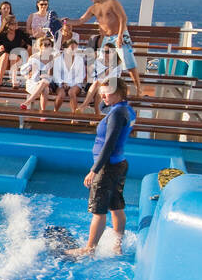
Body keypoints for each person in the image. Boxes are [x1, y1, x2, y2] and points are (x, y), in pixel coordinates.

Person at [66, 77, 136, 259]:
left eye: (107, 92)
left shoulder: (118, 114)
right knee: (116, 206)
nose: (103, 96)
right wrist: (100, 87)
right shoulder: (125, 109)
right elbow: (105, 107)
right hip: (119, 164)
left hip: (107, 166)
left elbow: (109, 144)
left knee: (99, 211)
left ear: (119, 93)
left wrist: (94, 170)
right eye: (102, 93)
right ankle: (117, 247)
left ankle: (90, 249)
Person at [78, 0, 144, 97]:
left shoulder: (112, 2)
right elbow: (80, 20)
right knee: (102, 64)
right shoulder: (93, 8)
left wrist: (120, 36)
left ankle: (139, 89)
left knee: (128, 63)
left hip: (120, 35)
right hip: (107, 39)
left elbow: (123, 18)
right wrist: (63, 21)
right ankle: (102, 90)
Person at [20, 36, 56, 112]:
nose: (48, 46)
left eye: (49, 44)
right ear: (40, 47)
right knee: (45, 88)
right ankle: (42, 112)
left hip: (49, 83)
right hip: (33, 83)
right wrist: (28, 74)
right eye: (45, 45)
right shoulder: (34, 58)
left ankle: (27, 102)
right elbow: (23, 71)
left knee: (45, 82)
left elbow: (54, 75)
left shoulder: (53, 58)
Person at [0, 17, 32, 86]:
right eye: (13, 23)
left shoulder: (19, 32)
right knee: (6, 55)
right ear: (7, 25)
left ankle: (13, 80)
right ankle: (0, 80)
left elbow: (30, 42)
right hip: (3, 60)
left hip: (15, 59)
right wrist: (0, 48)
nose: (16, 24)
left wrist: (27, 47)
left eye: (16, 23)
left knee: (13, 55)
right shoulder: (1, 35)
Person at [53, 34, 86, 113]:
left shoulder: (80, 60)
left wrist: (70, 84)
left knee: (71, 92)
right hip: (61, 84)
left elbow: (81, 75)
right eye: (72, 48)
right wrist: (62, 83)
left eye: (75, 48)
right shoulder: (58, 59)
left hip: (75, 84)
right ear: (65, 49)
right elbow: (56, 75)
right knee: (61, 94)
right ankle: (55, 112)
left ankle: (74, 116)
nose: (74, 50)